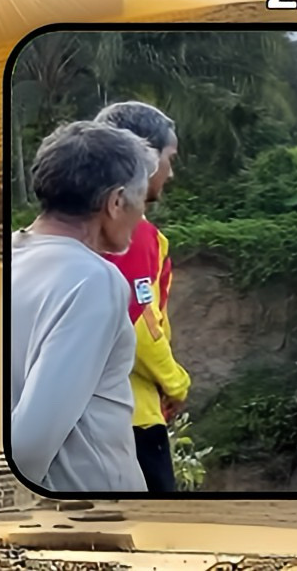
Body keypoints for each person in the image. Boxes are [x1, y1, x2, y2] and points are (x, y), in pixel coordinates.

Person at [10, 121, 156, 493]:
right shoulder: (93, 280)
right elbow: (28, 444)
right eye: (141, 200)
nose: (141, 216)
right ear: (116, 201)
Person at [94, 101, 191, 494]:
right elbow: (136, 321)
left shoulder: (86, 227)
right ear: (146, 160)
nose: (170, 171)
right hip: (132, 414)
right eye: (169, 158)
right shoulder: (131, 233)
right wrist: (176, 382)